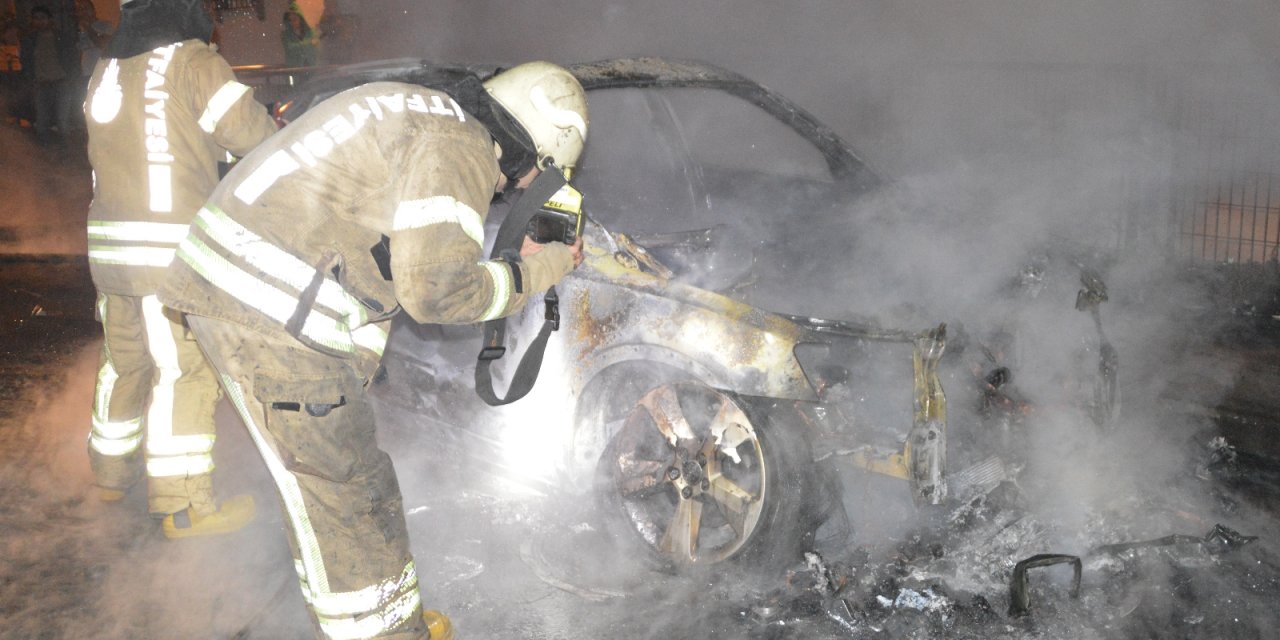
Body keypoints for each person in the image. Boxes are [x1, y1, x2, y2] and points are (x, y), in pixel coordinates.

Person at [158, 61, 588, 639]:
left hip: (235, 289)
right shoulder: (460, 143)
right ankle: (388, 633)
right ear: (537, 146)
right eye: (536, 175)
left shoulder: (416, 109)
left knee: (320, 489)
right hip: (266, 314)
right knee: (350, 488)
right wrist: (541, 269)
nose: (517, 188)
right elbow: (436, 292)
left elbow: (376, 243)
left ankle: (351, 622)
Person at [83, 0, 278, 538]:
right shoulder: (192, 62)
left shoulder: (107, 69)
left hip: (110, 249)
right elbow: (253, 137)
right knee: (184, 371)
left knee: (125, 363)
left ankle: (109, 475)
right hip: (168, 255)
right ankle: (183, 506)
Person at [19, 5, 74, 144]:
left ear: (50, 19)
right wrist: (30, 80)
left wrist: (72, 79)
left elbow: (71, 59)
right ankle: (46, 155)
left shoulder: (61, 37)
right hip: (41, 84)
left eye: (42, 18)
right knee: (42, 120)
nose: (39, 22)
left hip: (61, 82)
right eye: (36, 19)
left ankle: (66, 152)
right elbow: (25, 61)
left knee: (63, 121)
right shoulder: (29, 40)